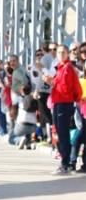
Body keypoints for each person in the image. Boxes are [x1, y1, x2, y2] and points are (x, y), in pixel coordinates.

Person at [44, 43, 82, 175]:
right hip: (58, 102)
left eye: (63, 52)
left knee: (63, 134)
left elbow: (66, 89)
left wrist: (52, 83)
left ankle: (65, 163)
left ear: (67, 54)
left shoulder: (67, 68)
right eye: (58, 52)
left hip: (63, 103)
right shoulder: (61, 68)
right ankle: (66, 162)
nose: (60, 54)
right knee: (59, 133)